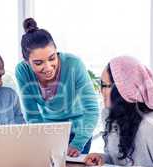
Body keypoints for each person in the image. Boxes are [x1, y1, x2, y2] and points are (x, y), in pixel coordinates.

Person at [15, 18, 99, 157]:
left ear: (56, 51)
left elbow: (92, 109)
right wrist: (45, 142)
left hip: (79, 132)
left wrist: (77, 144)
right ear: (27, 61)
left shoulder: (73, 64)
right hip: (48, 133)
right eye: (38, 63)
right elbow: (32, 114)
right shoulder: (22, 71)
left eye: (52, 58)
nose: (48, 67)